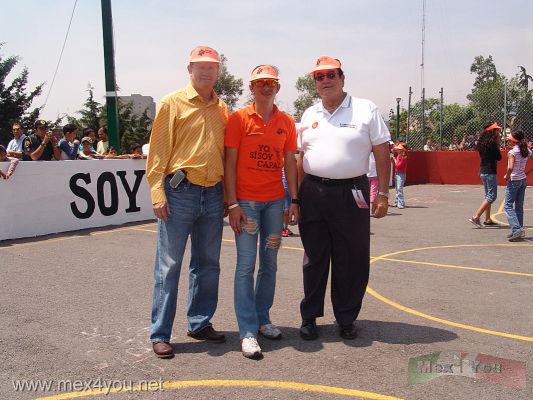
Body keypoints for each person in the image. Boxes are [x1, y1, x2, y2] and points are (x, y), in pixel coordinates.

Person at [297, 56, 391, 341]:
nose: (325, 81)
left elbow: (383, 151)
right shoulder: (309, 114)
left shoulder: (365, 109)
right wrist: (296, 200)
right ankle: (309, 317)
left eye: (330, 75)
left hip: (353, 192)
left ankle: (346, 317)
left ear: (342, 77)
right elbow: (301, 158)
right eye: (319, 77)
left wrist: (384, 193)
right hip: (313, 191)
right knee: (314, 257)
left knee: (351, 257)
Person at [146, 46, 229, 359]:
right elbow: (158, 151)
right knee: (169, 266)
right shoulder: (172, 103)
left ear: (218, 71)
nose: (206, 72)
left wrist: (227, 196)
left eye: (212, 67)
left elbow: (225, 154)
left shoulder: (223, 108)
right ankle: (160, 333)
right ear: (189, 69)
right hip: (180, 191)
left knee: (208, 264)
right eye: (200, 66)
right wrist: (157, 191)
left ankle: (199, 322)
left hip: (213, 191)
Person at [225, 64, 298, 359]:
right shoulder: (238, 119)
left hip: (274, 203)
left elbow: (290, 162)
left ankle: (262, 318)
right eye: (260, 83)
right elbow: (229, 164)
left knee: (270, 264)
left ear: (277, 88)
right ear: (251, 88)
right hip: (247, 204)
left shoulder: (286, 122)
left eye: (271, 82)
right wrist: (232, 204)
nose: (265, 86)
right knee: (245, 267)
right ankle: (247, 332)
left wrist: (294, 200)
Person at [468, 122, 502, 228]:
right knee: (492, 196)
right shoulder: (492, 143)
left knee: (488, 196)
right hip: (490, 171)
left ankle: (487, 219)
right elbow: (499, 157)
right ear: (492, 132)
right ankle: (476, 216)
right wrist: (498, 142)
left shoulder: (482, 143)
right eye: (497, 130)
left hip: (483, 171)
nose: (498, 132)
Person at [504, 129, 532, 241]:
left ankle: (516, 229)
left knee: (508, 206)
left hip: (514, 180)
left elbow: (510, 167)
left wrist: (507, 175)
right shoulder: (526, 150)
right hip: (523, 180)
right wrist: (527, 172)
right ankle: (519, 229)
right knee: (519, 207)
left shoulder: (512, 152)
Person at [392, 143, 408, 209]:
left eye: (399, 149)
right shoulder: (399, 155)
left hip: (401, 174)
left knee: (399, 188)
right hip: (397, 173)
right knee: (397, 188)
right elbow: (393, 149)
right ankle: (397, 202)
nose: (397, 150)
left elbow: (398, 166)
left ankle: (400, 203)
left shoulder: (403, 157)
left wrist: (394, 161)